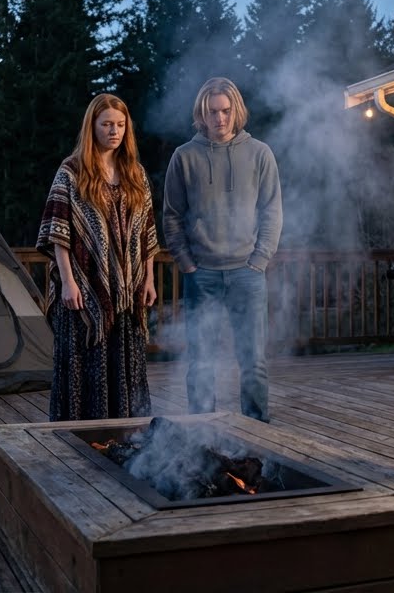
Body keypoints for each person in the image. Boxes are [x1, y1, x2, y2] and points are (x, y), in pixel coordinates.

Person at [163, 77, 282, 422]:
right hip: (201, 274)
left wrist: (260, 260)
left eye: (226, 111)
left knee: (253, 362)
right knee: (200, 360)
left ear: (236, 111)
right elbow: (172, 216)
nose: (220, 118)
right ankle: (201, 434)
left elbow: (272, 210)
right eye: (212, 112)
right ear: (202, 113)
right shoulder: (183, 157)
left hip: (248, 272)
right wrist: (186, 264)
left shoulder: (259, 153)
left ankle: (257, 434)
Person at [36, 93, 159, 421]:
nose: (114, 131)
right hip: (82, 290)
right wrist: (67, 282)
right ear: (92, 126)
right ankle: (78, 439)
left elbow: (147, 232)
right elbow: (58, 231)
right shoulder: (72, 171)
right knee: (84, 364)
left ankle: (125, 434)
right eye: (106, 124)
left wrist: (147, 278)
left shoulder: (134, 172)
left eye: (120, 125)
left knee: (125, 365)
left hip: (127, 293)